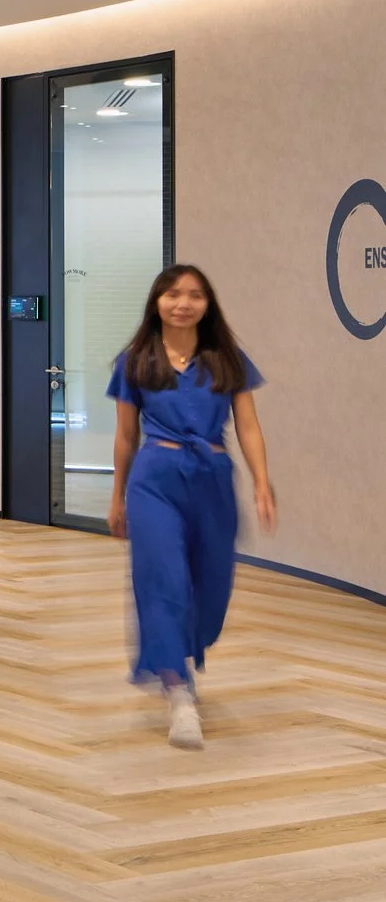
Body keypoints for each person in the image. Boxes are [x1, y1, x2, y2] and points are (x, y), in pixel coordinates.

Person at [107, 264, 277, 750]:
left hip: (213, 481)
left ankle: (180, 661)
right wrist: (117, 495)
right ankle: (178, 690)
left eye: (195, 295)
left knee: (211, 586)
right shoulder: (135, 360)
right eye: (173, 294)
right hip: (154, 482)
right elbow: (125, 436)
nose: (183, 303)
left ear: (208, 304)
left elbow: (248, 426)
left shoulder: (227, 359)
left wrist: (262, 482)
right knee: (164, 580)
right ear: (156, 302)